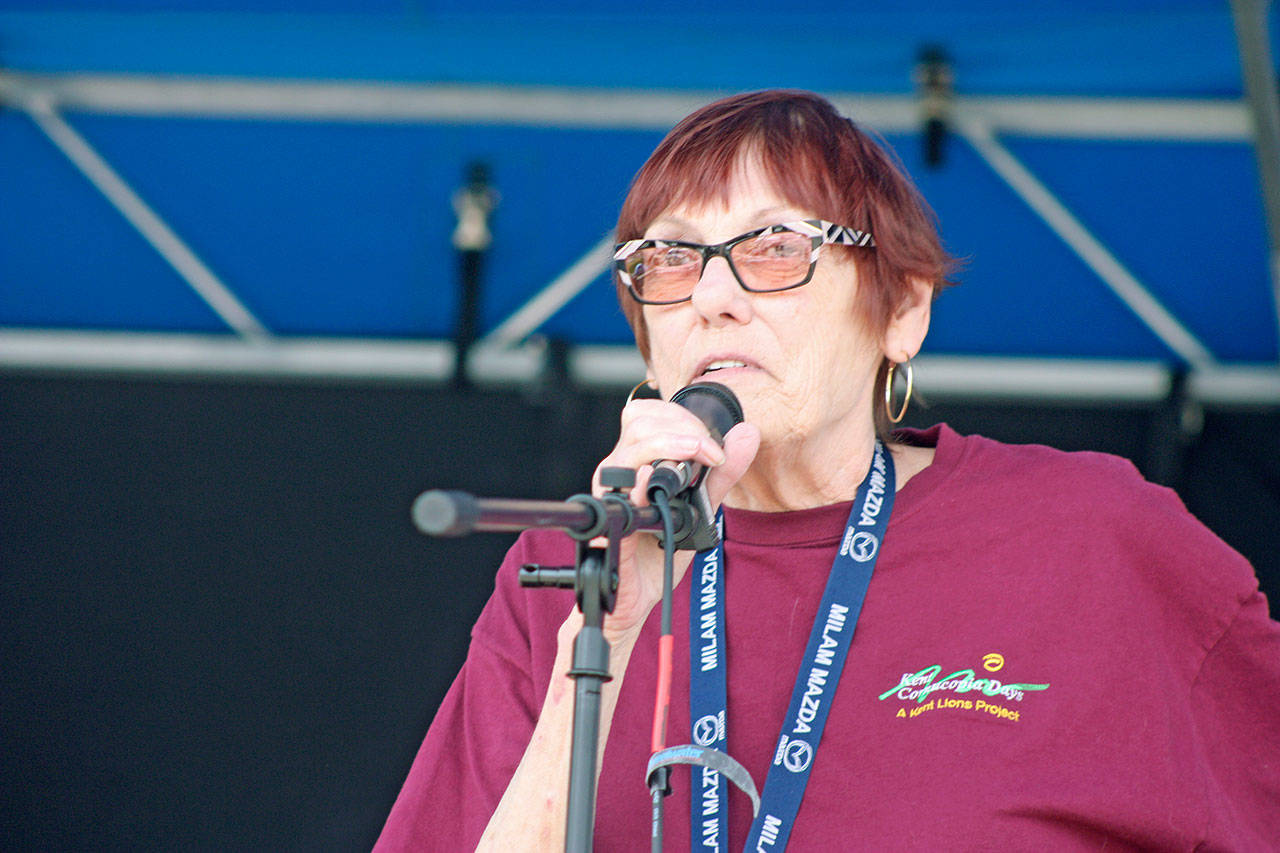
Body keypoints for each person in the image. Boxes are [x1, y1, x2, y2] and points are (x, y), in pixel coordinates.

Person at [377, 90, 1280, 850]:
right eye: (671, 257)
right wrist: (606, 636)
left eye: (774, 248)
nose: (712, 297)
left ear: (902, 313)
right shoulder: (580, 560)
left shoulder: (1094, 534)